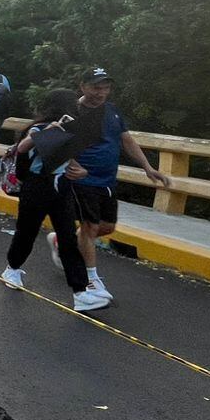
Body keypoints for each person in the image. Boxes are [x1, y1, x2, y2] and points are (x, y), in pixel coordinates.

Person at [58, 67, 172, 302]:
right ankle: (90, 280)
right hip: (82, 180)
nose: (101, 93)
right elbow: (53, 142)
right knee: (90, 228)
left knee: (107, 227)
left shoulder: (112, 111)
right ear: (83, 86)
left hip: (107, 179)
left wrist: (147, 167)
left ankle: (62, 242)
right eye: (96, 87)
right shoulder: (71, 112)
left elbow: (126, 140)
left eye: (106, 88)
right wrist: (71, 162)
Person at [0, 89, 103, 309]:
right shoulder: (40, 127)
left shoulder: (71, 129)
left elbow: (66, 158)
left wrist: (81, 171)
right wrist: (43, 133)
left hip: (62, 186)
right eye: (73, 103)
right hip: (37, 186)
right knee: (27, 233)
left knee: (68, 238)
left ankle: (80, 292)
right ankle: (12, 268)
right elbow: (22, 149)